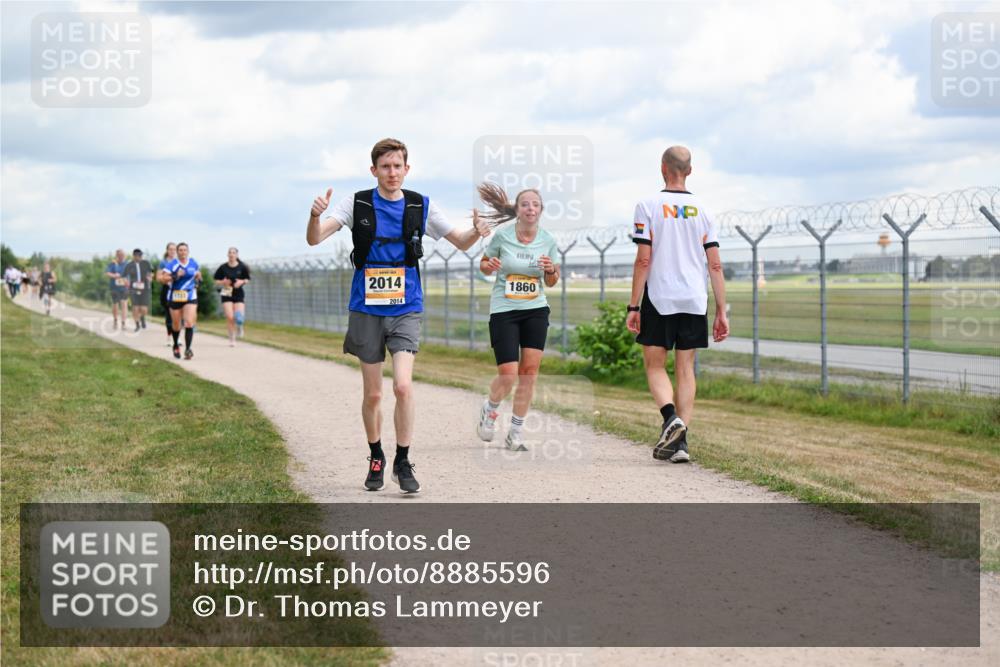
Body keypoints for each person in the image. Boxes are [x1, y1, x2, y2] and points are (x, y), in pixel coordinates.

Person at [306, 137, 490, 493]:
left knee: (403, 386)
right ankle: (377, 456)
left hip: (406, 306)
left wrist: (477, 233)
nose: (392, 172)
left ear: (407, 169)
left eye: (398, 166)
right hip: (366, 307)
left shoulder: (421, 205)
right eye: (385, 167)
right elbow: (315, 239)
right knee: (373, 395)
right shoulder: (356, 203)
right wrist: (315, 215)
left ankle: (403, 460)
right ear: (374, 170)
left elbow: (461, 242)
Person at [626, 146, 729, 463]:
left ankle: (671, 419)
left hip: (660, 296)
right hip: (695, 298)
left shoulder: (648, 205)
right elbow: (715, 265)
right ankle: (681, 445)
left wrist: (634, 306)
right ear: (690, 170)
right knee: (686, 368)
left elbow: (644, 259)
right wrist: (722, 310)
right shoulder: (704, 210)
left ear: (662, 168)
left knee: (655, 365)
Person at [474, 183, 559, 452]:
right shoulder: (503, 236)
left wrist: (550, 269)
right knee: (508, 374)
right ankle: (490, 409)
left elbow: (553, 281)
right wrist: (491, 265)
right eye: (525, 204)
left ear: (541, 210)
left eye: (535, 204)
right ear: (518, 210)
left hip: (535, 309)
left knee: (529, 373)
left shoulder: (548, 240)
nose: (530, 208)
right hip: (504, 310)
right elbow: (484, 265)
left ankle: (516, 432)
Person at [160, 242, 202, 360]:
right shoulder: (172, 264)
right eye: (180, 250)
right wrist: (175, 275)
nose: (183, 252)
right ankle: (175, 345)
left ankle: (188, 349)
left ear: (188, 252)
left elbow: (199, 275)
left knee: (189, 322)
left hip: (190, 296)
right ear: (177, 252)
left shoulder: (193, 263)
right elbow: (163, 278)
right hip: (175, 296)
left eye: (185, 250)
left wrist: (198, 279)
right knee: (176, 325)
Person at [213, 247, 251, 346]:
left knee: (239, 316)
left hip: (238, 292)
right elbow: (216, 280)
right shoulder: (223, 267)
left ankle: (240, 326)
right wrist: (223, 282)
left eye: (233, 253)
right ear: (227, 255)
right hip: (226, 291)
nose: (231, 254)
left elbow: (247, 279)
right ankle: (232, 339)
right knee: (230, 317)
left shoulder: (242, 267)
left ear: (237, 255)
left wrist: (241, 282)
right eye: (230, 252)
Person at [123, 248, 153, 332]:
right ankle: (137, 325)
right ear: (134, 256)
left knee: (144, 309)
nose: (139, 257)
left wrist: (150, 277)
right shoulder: (129, 265)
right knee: (135, 307)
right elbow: (124, 276)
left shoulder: (146, 263)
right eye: (137, 256)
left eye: (140, 255)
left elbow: (151, 273)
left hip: (145, 288)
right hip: (133, 288)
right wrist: (126, 282)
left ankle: (142, 317)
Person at [157, 242, 178, 346]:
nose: (172, 251)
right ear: (167, 250)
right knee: (169, 314)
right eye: (170, 249)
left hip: (179, 291)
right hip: (167, 290)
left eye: (174, 249)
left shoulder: (179, 262)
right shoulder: (163, 263)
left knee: (178, 315)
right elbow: (158, 278)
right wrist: (169, 278)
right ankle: (169, 336)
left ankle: (177, 337)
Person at [105, 249, 130, 330]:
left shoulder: (127, 264)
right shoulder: (113, 264)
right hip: (114, 287)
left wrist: (128, 282)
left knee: (124, 304)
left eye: (123, 255)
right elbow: (107, 273)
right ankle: (115, 321)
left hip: (124, 287)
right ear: (117, 256)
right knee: (115, 304)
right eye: (119, 255)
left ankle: (123, 323)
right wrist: (114, 275)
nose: (121, 257)